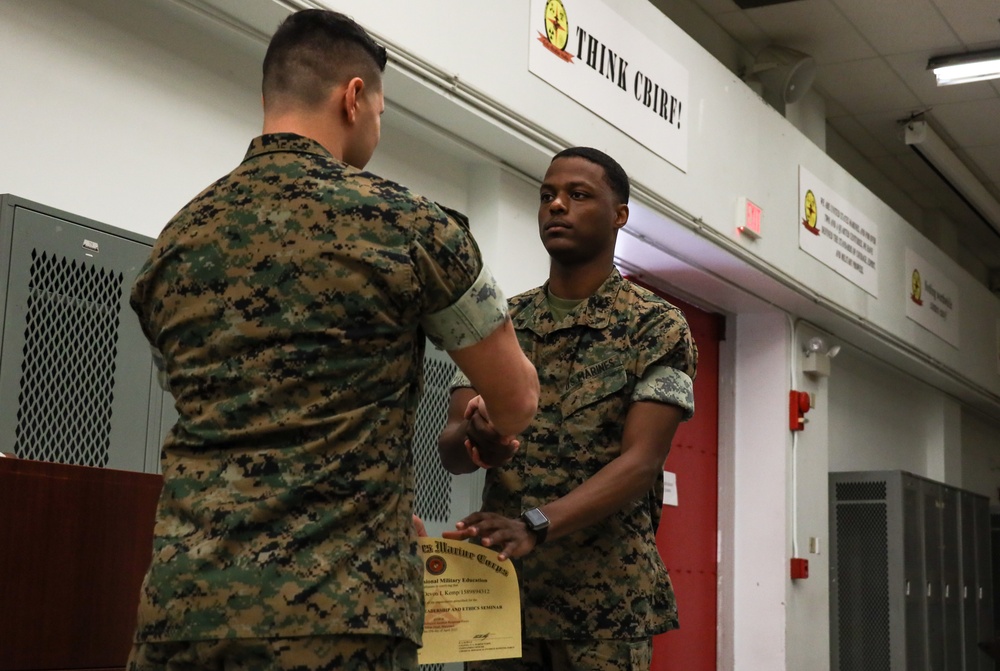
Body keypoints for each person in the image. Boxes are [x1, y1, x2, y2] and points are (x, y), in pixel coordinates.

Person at [127, 9, 538, 671]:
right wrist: (486, 423)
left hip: (183, 612)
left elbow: (206, 405)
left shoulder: (174, 246)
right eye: (381, 110)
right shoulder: (414, 227)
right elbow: (516, 399)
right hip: (340, 615)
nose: (377, 124)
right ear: (354, 97)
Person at [438, 147, 697, 671]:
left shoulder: (657, 326)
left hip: (603, 607)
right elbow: (450, 451)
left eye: (578, 195)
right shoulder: (501, 322)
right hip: (503, 599)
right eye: (548, 195)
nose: (557, 205)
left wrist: (534, 524)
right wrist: (478, 439)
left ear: (619, 214)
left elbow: (641, 461)